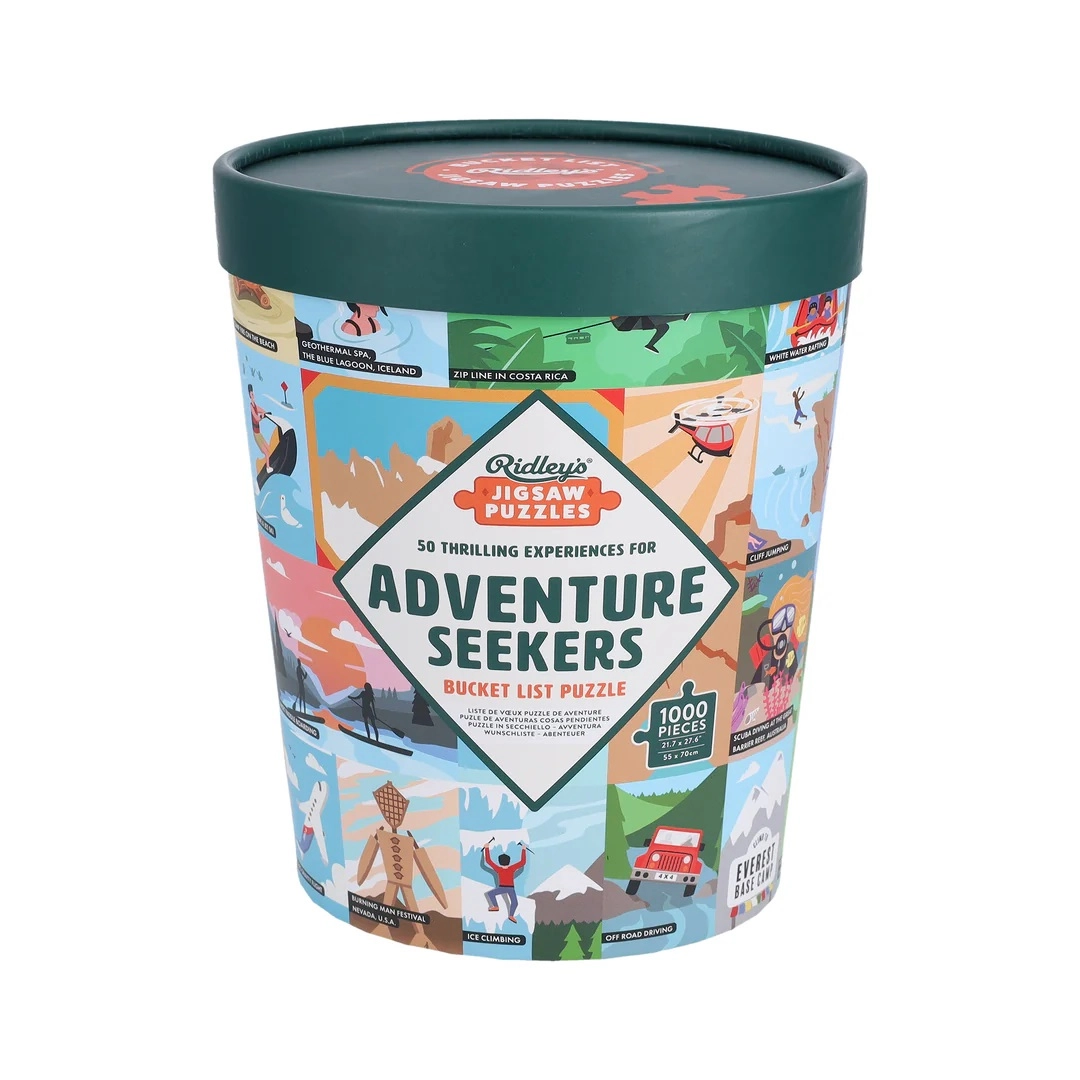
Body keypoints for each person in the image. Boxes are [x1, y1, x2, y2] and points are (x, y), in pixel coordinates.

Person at [483, 843, 527, 923]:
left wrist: (486, 848)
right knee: (515, 902)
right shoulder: (512, 868)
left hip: (502, 887)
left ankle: (496, 906)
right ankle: (511, 915)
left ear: (499, 861)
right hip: (510, 888)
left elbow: (488, 861)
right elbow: (522, 862)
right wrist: (523, 849)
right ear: (509, 861)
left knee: (490, 894)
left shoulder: (498, 869)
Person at [248, 385, 272, 474]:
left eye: (253, 394)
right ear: (249, 396)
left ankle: (268, 464)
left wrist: (265, 414)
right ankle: (268, 468)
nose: (253, 395)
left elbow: (261, 410)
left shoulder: (255, 405)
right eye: (251, 394)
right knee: (266, 452)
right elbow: (256, 418)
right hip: (256, 434)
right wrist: (262, 416)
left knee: (269, 448)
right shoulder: (251, 406)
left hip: (259, 433)